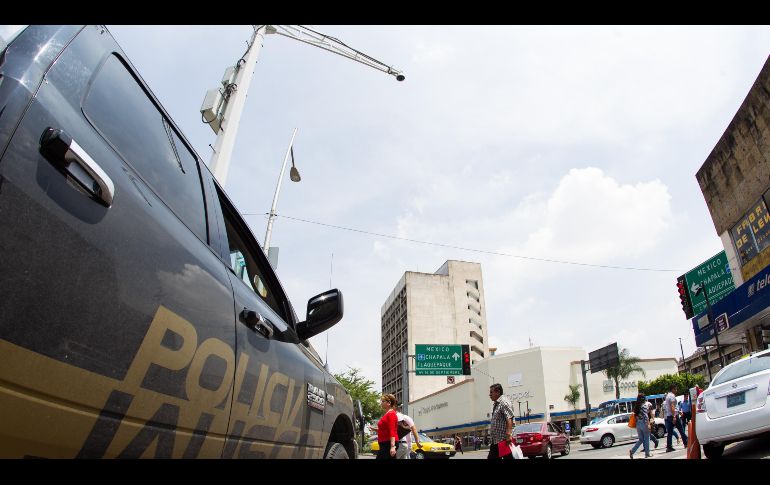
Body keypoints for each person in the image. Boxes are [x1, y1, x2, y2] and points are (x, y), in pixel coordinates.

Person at [487, 383, 515, 459]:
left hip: (503, 440)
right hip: (496, 440)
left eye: (491, 392)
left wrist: (509, 434)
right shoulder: (497, 404)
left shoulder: (503, 402)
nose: (490, 395)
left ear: (498, 392)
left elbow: (510, 417)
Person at [629, 393, 653, 458]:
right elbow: (645, 416)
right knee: (647, 439)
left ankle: (632, 451)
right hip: (644, 423)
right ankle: (647, 454)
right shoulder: (644, 405)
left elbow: (636, 416)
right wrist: (648, 424)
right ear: (643, 398)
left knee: (641, 439)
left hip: (638, 424)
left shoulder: (636, 406)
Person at [664, 385, 688, 452]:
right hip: (673, 415)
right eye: (676, 389)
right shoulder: (672, 396)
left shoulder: (667, 396)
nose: (676, 391)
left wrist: (678, 412)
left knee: (670, 432)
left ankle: (669, 447)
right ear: (672, 389)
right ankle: (686, 442)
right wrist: (674, 416)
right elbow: (672, 406)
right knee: (681, 429)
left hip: (669, 415)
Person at [376, 394, 398, 459]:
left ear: (389, 403)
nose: (381, 403)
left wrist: (392, 446)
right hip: (384, 443)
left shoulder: (391, 414)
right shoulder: (387, 413)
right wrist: (375, 430)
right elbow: (385, 429)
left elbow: (392, 430)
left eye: (383, 401)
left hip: (388, 443)